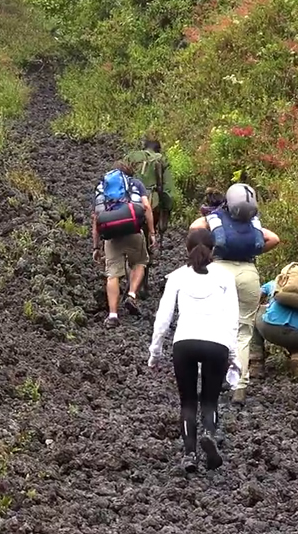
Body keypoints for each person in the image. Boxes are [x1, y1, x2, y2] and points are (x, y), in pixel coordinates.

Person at [147, 227, 241, 472]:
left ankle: (189, 455)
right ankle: (209, 433)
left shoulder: (177, 276)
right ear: (213, 250)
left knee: (188, 402)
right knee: (210, 400)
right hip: (216, 343)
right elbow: (233, 318)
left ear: (187, 249)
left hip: (184, 343)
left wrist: (155, 352)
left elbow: (164, 317)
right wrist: (232, 355)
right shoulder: (225, 278)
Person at [189, 182, 279, 405]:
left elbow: (194, 228)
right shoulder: (253, 225)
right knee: (243, 332)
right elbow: (274, 239)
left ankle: (212, 378)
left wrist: (211, 217)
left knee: (213, 327)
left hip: (219, 270)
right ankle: (239, 386)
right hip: (249, 273)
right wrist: (254, 249)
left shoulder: (216, 219)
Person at [91, 161, 157, 328]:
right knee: (140, 262)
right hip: (134, 231)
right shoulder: (136, 184)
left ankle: (113, 315)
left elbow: (96, 218)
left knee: (112, 274)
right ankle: (132, 294)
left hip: (111, 236)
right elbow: (147, 207)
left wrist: (96, 247)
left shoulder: (102, 188)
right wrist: (152, 232)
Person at [124, 138, 172, 235]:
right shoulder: (161, 159)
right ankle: (150, 237)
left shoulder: (131, 157)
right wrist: (166, 208)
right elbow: (168, 189)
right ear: (158, 150)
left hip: (129, 199)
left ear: (143, 147)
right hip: (151, 201)